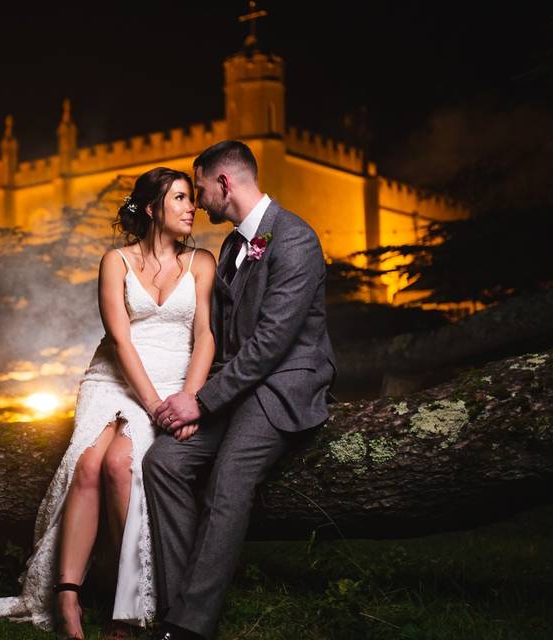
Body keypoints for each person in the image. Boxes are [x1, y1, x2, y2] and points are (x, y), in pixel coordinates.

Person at [0, 167, 217, 639]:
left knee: (120, 465)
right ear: (152, 208)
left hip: (174, 379)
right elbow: (120, 339)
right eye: (181, 198)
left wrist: (188, 398)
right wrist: (153, 406)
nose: (193, 207)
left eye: (192, 199)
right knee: (87, 464)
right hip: (113, 376)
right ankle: (67, 597)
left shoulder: (203, 262)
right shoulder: (115, 261)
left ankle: (127, 609)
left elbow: (206, 336)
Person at [144, 141, 337, 640]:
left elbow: (272, 343)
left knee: (228, 479)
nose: (198, 199)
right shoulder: (232, 246)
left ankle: (187, 626)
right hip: (235, 387)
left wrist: (200, 401)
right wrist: (200, 393)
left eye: (201, 186)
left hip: (282, 385)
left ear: (224, 184)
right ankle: (178, 603)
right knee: (162, 462)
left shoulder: (295, 239)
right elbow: (221, 337)